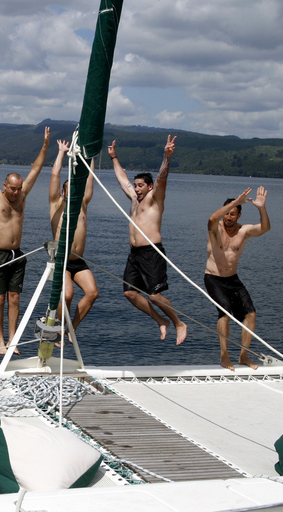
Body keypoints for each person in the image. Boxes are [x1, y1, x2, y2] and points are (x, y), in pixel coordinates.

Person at [0, 125, 50, 355]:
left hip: (18, 254)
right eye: (12, 189)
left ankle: (13, 339)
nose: (15, 193)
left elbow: (36, 169)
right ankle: (0, 340)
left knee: (14, 298)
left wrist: (45, 144)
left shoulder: (22, 197)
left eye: (18, 189)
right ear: (5, 186)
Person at [109, 136, 188, 345]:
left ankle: (179, 323)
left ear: (149, 187)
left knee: (155, 296)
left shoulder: (154, 199)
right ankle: (160, 320)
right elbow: (122, 180)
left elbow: (162, 178)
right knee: (129, 293)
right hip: (135, 254)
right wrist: (114, 157)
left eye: (141, 185)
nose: (136, 189)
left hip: (151, 252)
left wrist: (167, 157)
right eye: (136, 185)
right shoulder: (135, 200)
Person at [205, 187, 270, 371]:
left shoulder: (244, 231)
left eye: (232, 214)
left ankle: (243, 355)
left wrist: (261, 208)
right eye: (226, 213)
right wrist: (233, 203)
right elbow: (211, 219)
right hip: (213, 278)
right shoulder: (215, 229)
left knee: (251, 314)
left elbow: (265, 228)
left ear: (239, 215)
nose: (228, 217)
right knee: (224, 312)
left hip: (232, 279)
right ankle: (224, 355)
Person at [49, 139, 98, 333]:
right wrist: (61, 152)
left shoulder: (83, 203)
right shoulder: (56, 204)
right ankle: (60, 328)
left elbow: (90, 178)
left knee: (93, 293)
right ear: (63, 192)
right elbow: (54, 175)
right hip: (61, 260)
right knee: (67, 295)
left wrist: (90, 156)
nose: (74, 194)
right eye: (70, 191)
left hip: (78, 261)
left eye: (76, 191)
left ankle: (71, 327)